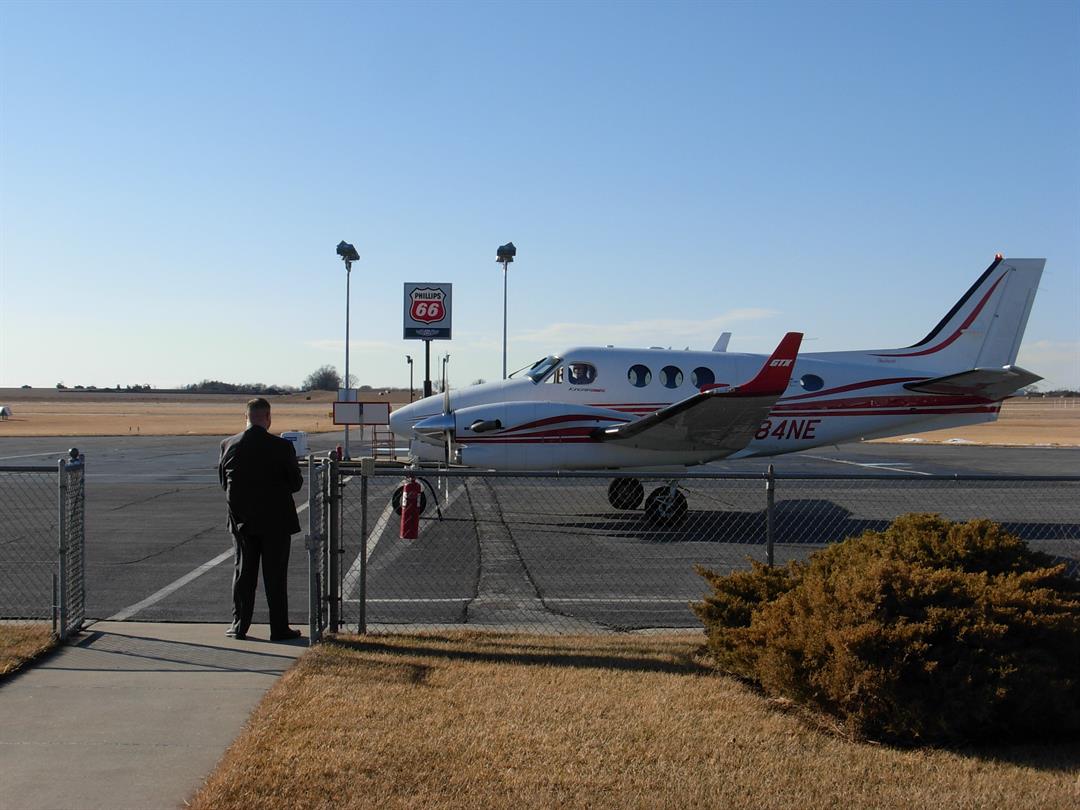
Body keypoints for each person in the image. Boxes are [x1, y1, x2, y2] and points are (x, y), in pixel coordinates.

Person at [218, 397, 303, 641]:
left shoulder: (227, 445)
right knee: (275, 577)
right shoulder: (281, 447)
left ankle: (239, 625)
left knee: (244, 573)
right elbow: (296, 484)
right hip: (276, 521)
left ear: (245, 417)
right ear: (268, 418)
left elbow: (224, 482)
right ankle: (278, 628)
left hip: (242, 521)